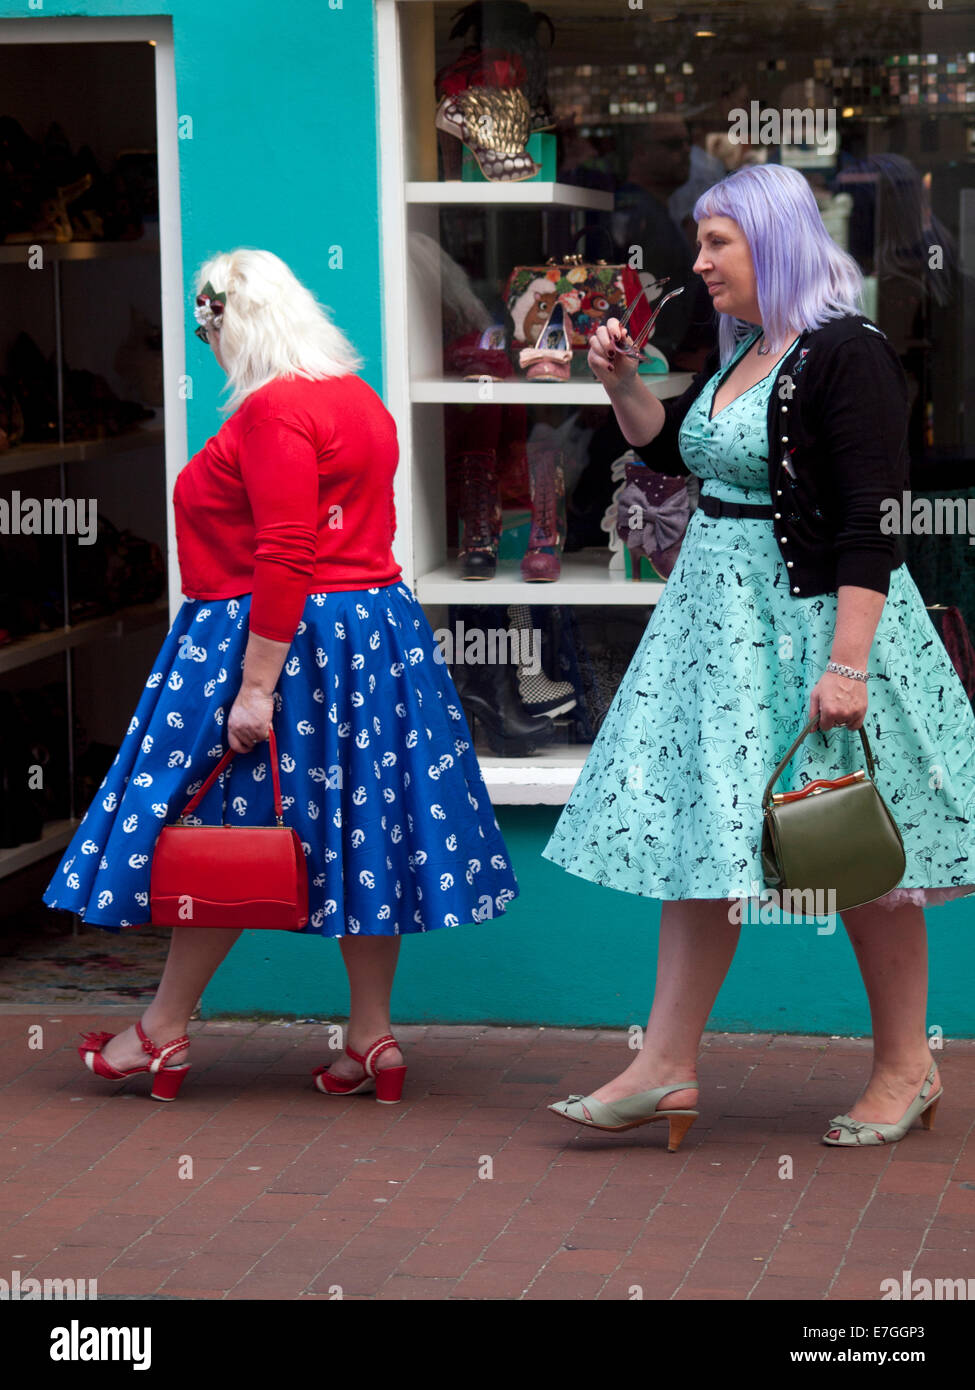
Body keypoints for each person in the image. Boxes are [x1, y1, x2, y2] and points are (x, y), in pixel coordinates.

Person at [542, 163, 975, 1149]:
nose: (697, 262)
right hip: (721, 632)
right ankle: (664, 1065)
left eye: (716, 243)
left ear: (775, 242)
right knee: (706, 838)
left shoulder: (846, 354)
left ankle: (908, 1067)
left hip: (815, 628)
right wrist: (622, 385)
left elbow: (872, 521)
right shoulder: (742, 349)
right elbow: (669, 456)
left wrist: (849, 666)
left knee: (847, 846)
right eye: (699, 242)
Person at [42, 248, 519, 1102]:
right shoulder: (356, 399)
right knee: (364, 829)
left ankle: (160, 1029)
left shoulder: (272, 414)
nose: (204, 346)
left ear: (232, 325)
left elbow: (287, 550)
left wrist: (255, 687)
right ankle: (370, 1037)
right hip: (372, 635)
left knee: (219, 828)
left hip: (278, 641)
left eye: (206, 328)